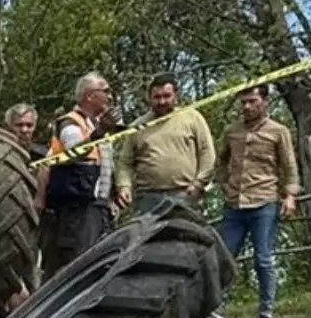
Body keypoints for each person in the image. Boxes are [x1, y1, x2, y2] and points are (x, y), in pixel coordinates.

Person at [212, 83, 300, 318]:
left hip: (264, 202)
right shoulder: (232, 132)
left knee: (264, 259)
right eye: (244, 102)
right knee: (225, 257)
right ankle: (216, 310)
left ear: (265, 102)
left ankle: (266, 312)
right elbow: (221, 162)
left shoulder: (278, 131)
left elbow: (290, 167)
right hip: (235, 204)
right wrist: (224, 185)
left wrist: (290, 196)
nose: (248, 107)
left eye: (253, 101)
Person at [38, 72, 120, 279]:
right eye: (106, 91)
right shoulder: (71, 123)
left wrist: (112, 197)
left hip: (98, 209)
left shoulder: (96, 125)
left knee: (98, 267)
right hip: (79, 211)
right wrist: (99, 133)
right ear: (90, 96)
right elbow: (73, 151)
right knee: (78, 269)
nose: (110, 97)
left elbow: (105, 167)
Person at [113, 73, 216, 215]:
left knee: (185, 236)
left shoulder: (192, 118)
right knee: (149, 237)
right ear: (149, 98)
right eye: (157, 97)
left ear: (175, 96)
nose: (162, 101)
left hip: (185, 194)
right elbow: (125, 163)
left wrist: (199, 184)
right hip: (148, 198)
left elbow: (207, 153)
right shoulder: (138, 126)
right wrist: (124, 186)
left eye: (167, 96)